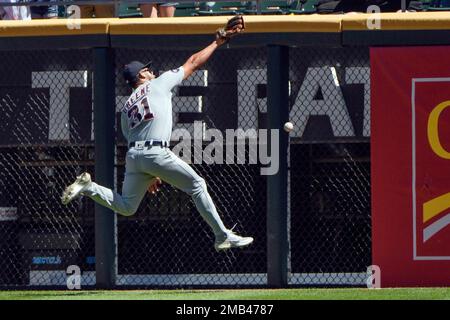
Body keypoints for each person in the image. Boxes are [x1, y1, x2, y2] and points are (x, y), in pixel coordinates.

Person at [61, 16, 253, 252]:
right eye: (147, 69)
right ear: (141, 76)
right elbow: (193, 62)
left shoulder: (127, 105)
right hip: (154, 152)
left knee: (127, 206)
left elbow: (131, 138)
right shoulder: (158, 84)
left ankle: (89, 188)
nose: (152, 71)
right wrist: (218, 42)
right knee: (197, 184)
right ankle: (222, 235)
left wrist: (151, 173)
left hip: (135, 156)